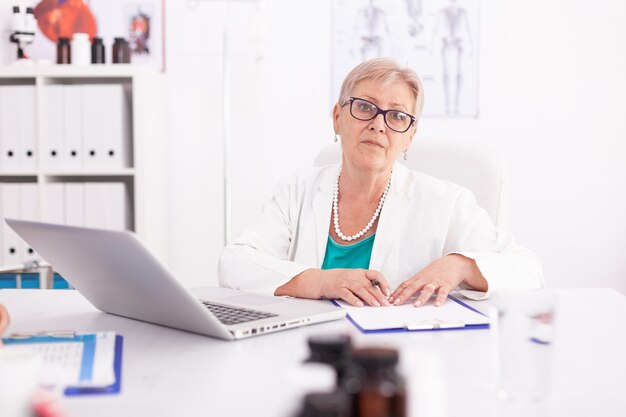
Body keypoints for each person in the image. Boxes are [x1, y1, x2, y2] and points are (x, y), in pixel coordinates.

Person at [219, 57, 543, 307]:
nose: (378, 125)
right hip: (305, 355)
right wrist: (318, 282)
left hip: (400, 361)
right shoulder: (297, 190)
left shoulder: (446, 202)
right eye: (364, 107)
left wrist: (460, 266)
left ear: (410, 136)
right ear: (337, 117)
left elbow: (529, 271)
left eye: (397, 116)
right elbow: (234, 264)